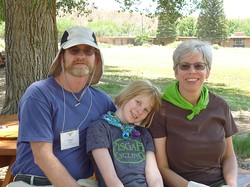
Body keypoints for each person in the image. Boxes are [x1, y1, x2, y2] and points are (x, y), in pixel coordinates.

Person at [9, 26, 116, 187]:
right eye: (74, 50)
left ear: (97, 59)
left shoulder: (102, 101)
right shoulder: (39, 94)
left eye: (88, 51)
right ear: (61, 57)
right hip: (35, 184)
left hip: (84, 182)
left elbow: (123, 136)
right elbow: (42, 156)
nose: (81, 56)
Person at [149, 40, 238, 187]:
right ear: (176, 72)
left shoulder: (220, 106)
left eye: (199, 66)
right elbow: (161, 167)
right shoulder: (161, 109)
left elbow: (229, 156)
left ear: (207, 72)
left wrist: (231, 184)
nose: (192, 71)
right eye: (184, 66)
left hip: (220, 183)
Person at [86, 80, 164, 187]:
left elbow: (153, 174)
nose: (140, 111)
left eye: (146, 110)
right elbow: (110, 176)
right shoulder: (99, 128)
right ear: (127, 96)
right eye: (138, 102)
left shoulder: (144, 134)